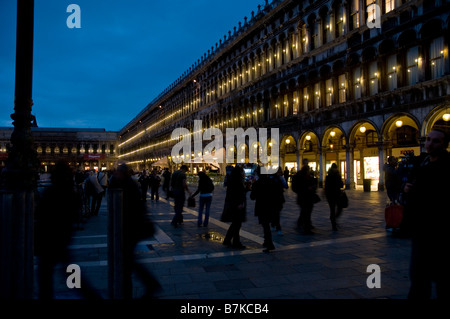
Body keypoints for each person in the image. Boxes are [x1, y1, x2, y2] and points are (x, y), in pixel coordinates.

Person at [35, 161, 100, 299]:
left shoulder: (51, 191)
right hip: (62, 240)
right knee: (69, 272)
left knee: (46, 275)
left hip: (49, 242)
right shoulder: (70, 191)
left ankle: (89, 295)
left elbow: (40, 214)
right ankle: (89, 294)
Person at [404, 129, 450, 299]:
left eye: (436, 141)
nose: (429, 144)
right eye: (428, 139)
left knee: (443, 280)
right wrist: (407, 189)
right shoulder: (423, 163)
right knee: (418, 277)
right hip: (420, 230)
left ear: (444, 144)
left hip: (441, 233)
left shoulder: (446, 166)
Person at [109, 164, 161, 299]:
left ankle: (142, 286)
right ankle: (144, 285)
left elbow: (133, 207)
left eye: (118, 173)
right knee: (129, 261)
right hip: (128, 229)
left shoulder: (128, 185)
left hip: (130, 229)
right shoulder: (127, 183)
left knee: (127, 262)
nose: (116, 175)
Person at [250, 173, 278, 252]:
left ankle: (270, 244)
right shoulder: (271, 182)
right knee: (267, 224)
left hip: (261, 207)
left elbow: (252, 197)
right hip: (270, 206)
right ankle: (266, 241)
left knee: (265, 225)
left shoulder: (257, 183)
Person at [223, 166, 248, 249]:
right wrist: (239, 203)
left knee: (235, 224)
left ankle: (227, 240)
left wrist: (247, 187)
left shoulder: (234, 180)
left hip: (234, 205)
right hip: (237, 206)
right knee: (237, 224)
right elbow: (236, 194)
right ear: (239, 173)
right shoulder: (237, 181)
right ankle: (236, 242)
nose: (244, 174)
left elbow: (241, 192)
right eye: (243, 172)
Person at [292, 159, 317, 235]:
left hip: (306, 198)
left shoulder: (307, 175)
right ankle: (306, 228)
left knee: (305, 212)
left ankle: (302, 224)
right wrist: (304, 189)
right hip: (304, 197)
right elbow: (296, 187)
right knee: (306, 213)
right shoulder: (301, 175)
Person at [324, 163, 344, 231]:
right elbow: (326, 186)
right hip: (331, 195)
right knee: (332, 209)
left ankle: (334, 218)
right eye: (334, 168)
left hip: (337, 194)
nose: (335, 169)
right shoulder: (329, 176)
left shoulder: (337, 175)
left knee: (340, 207)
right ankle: (333, 224)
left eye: (336, 168)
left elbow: (341, 185)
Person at [271, 167, 288, 236]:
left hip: (274, 198)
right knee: (277, 213)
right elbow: (286, 186)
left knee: (275, 212)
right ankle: (278, 228)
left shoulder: (271, 178)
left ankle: (273, 223)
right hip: (278, 198)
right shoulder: (280, 178)